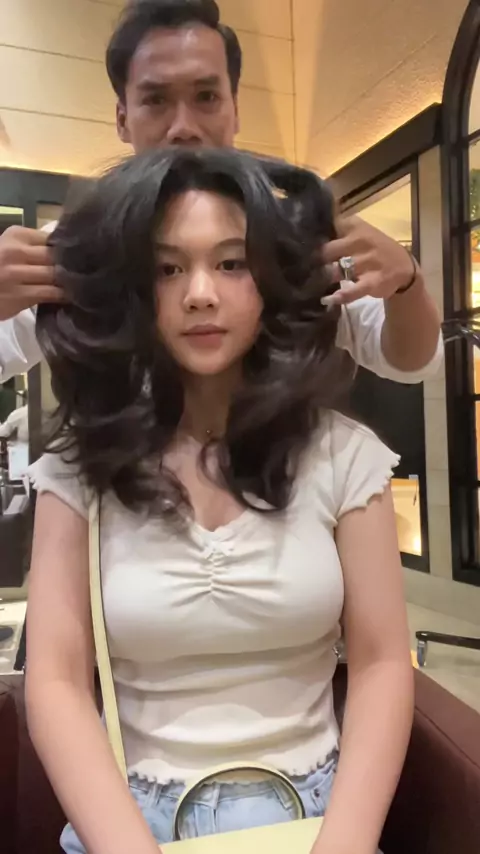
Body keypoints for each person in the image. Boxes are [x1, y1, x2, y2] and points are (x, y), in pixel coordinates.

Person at [26, 146, 414, 854]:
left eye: (232, 263)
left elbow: (383, 660)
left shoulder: (343, 455)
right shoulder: (81, 468)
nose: (200, 293)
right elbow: (54, 681)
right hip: (130, 819)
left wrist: (346, 842)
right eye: (167, 269)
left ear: (269, 279)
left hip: (317, 814)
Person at [0, 0, 441, 385]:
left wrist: (407, 283)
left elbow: (410, 363)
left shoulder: (294, 235)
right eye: (156, 100)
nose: (183, 128)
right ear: (122, 119)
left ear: (235, 108)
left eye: (206, 97)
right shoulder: (79, 248)